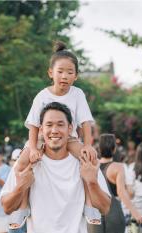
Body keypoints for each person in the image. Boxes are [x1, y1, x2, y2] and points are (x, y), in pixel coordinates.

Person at [1, 102, 111, 233]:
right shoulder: (27, 163)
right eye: (49, 125)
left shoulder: (85, 162)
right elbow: (6, 206)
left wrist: (92, 181)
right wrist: (21, 187)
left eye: (60, 124)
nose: (54, 130)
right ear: (40, 129)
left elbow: (105, 207)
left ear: (70, 129)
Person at [17, 40, 96, 174]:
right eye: (60, 72)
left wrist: (88, 145)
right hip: (43, 137)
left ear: (76, 76)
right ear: (50, 73)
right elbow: (33, 126)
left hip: (69, 138)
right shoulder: (42, 96)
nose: (64, 76)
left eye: (70, 73)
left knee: (89, 160)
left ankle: (91, 193)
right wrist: (33, 148)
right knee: (22, 162)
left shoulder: (78, 94)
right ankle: (21, 193)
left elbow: (85, 122)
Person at [7, 148, 27, 233]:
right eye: (13, 159)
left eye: (16, 159)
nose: (14, 161)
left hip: (20, 203)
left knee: (18, 228)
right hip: (14, 202)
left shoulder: (21, 169)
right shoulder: (13, 169)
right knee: (14, 227)